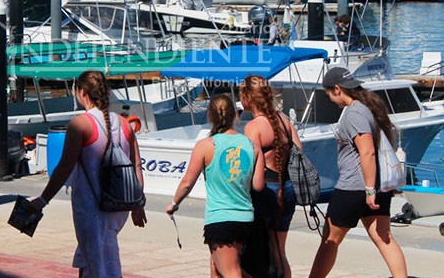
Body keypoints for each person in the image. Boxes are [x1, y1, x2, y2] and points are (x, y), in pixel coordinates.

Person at [29, 70, 146, 277]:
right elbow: (137, 165)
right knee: (97, 257)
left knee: (100, 265)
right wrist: (137, 205)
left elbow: (64, 167)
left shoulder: (81, 124)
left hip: (93, 206)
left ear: (81, 92)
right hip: (120, 206)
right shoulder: (124, 123)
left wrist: (43, 199)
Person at [309, 67, 407, 278]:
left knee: (330, 239)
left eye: (328, 94)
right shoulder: (370, 107)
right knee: (383, 236)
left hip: (356, 186)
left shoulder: (355, 112)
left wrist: (369, 190)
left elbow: (368, 151)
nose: (330, 99)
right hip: (377, 184)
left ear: (337, 89)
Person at [166, 95, 265, 278]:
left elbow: (187, 182)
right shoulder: (252, 145)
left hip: (220, 217)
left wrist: (174, 203)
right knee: (217, 268)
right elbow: (258, 185)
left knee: (230, 271)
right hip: (244, 216)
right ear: (235, 115)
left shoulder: (205, 146)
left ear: (210, 116)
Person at [240, 75, 300, 278]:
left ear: (249, 97)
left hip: (266, 191)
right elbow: (299, 151)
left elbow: (249, 168)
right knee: (280, 252)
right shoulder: (284, 120)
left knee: (261, 253)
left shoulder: (253, 127)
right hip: (288, 188)